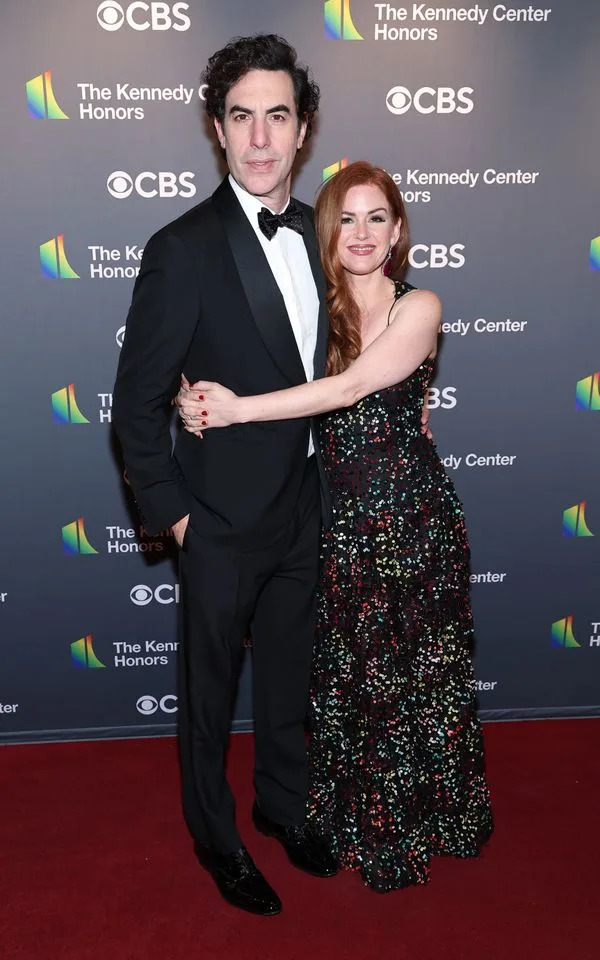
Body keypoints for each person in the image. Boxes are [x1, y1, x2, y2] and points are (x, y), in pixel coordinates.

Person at [177, 161, 494, 893]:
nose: (361, 233)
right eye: (346, 218)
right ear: (328, 230)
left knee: (418, 674)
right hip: (331, 518)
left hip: (411, 517)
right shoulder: (311, 308)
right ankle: (340, 811)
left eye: (376, 217)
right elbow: (228, 347)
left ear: (398, 230)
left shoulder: (421, 305)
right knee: (349, 675)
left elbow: (350, 387)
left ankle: (426, 815)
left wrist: (238, 409)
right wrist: (191, 395)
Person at [112, 35, 338, 917]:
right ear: (216, 128)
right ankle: (214, 834)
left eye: (276, 116)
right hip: (216, 520)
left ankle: (281, 804)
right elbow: (135, 405)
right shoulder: (182, 247)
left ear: (302, 128)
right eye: (240, 116)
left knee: (289, 676)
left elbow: (351, 363)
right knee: (211, 697)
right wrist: (175, 522)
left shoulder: (327, 233)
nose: (259, 138)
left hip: (307, 507)